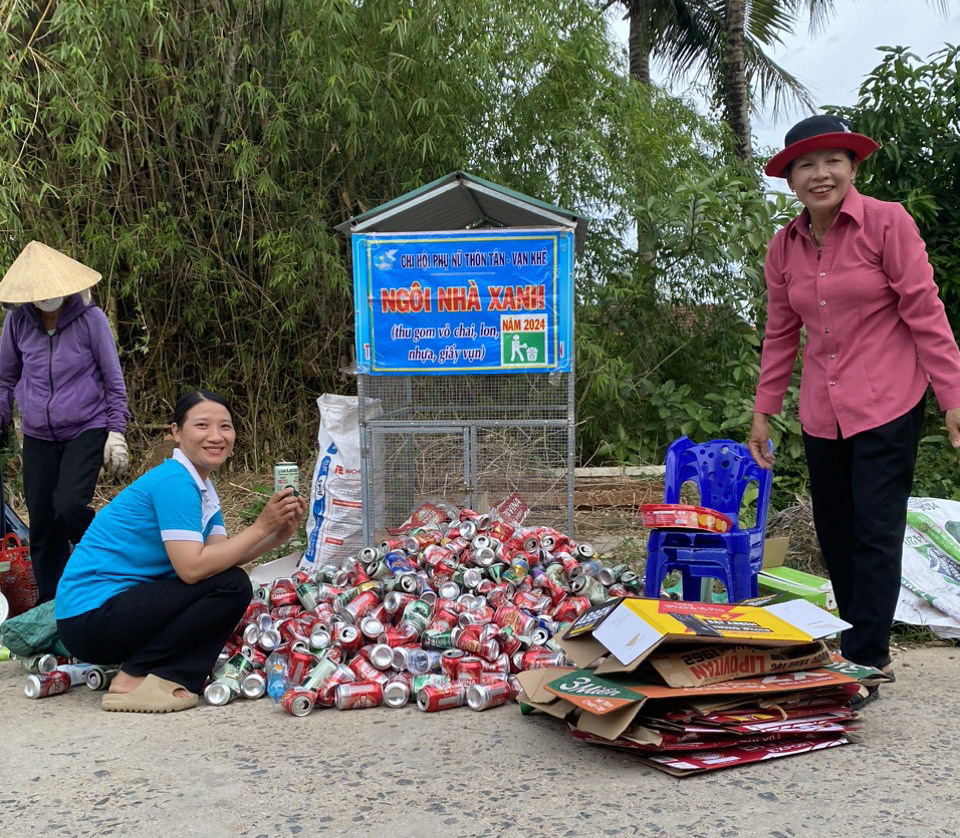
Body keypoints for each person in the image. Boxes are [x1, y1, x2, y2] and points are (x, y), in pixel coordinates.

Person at [748, 114, 960, 708]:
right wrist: (765, 411)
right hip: (822, 407)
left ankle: (867, 656)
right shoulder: (784, 246)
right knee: (836, 530)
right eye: (805, 165)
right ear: (790, 179)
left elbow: (925, 312)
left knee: (875, 528)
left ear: (853, 168)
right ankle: (850, 643)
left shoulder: (887, 224)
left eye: (832, 161)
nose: (820, 175)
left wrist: (953, 397)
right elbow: (781, 333)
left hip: (889, 399)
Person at [55, 390, 306, 713]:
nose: (216, 437)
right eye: (202, 425)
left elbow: (219, 557)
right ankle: (137, 677)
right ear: (176, 432)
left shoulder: (200, 485)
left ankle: (145, 670)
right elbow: (192, 569)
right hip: (90, 617)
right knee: (232, 585)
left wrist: (276, 534)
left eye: (225, 427)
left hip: (110, 613)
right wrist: (260, 526)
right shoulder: (173, 482)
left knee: (228, 580)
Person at [0, 241, 130, 605]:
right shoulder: (18, 323)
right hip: (38, 434)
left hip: (86, 426)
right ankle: (54, 606)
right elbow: (5, 378)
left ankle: (110, 555)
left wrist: (116, 430)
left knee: (69, 507)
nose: (47, 299)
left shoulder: (91, 320)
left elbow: (112, 379)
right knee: (42, 525)